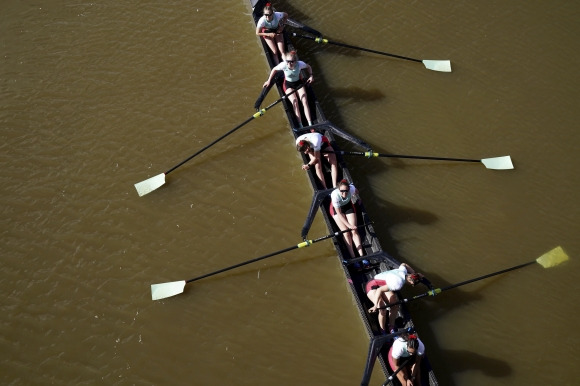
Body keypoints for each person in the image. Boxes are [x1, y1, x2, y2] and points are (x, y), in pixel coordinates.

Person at [366, 263, 431, 334]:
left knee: (395, 306)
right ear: (411, 281)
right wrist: (375, 305)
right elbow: (379, 290)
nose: (413, 285)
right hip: (373, 286)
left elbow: (404, 264)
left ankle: (391, 326)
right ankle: (383, 330)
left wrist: (429, 285)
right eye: (414, 284)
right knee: (382, 309)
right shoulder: (398, 284)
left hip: (383, 286)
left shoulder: (404, 271)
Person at [263, 51, 314, 128]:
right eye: (288, 61)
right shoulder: (283, 65)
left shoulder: (300, 64)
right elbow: (274, 69)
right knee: (295, 102)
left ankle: (310, 125)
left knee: (304, 101)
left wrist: (311, 75)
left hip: (298, 83)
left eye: (292, 62)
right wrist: (269, 81)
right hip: (288, 85)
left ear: (295, 61)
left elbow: (309, 67)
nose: (289, 64)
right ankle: (301, 126)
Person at [330, 179, 364, 258]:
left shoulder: (352, 188)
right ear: (338, 189)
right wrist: (349, 225)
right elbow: (339, 214)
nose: (344, 193)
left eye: (346, 191)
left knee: (354, 231)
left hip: (348, 206)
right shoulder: (334, 195)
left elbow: (357, 192)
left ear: (349, 189)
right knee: (346, 233)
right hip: (336, 210)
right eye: (342, 191)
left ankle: (362, 256)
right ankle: (353, 257)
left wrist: (359, 199)